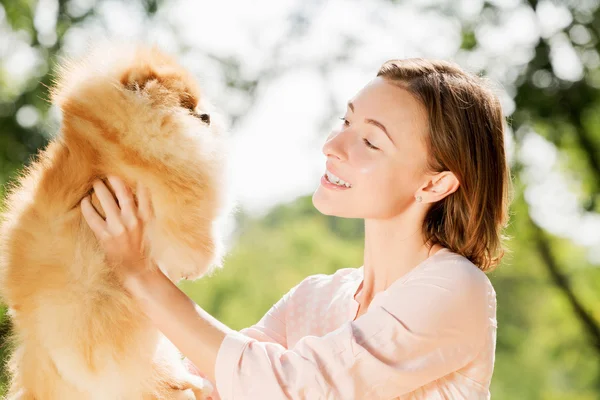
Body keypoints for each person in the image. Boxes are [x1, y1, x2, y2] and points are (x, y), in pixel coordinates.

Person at [81, 58, 512, 399]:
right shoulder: (315, 299)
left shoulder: (457, 288)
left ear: (434, 183)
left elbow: (289, 388)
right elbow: (209, 385)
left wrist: (141, 274)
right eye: (346, 122)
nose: (332, 146)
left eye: (370, 142)